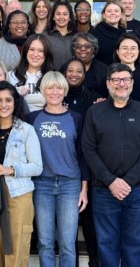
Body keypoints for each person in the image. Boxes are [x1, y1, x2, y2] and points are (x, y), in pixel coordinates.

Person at [82, 63, 140, 267]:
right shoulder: (94, 112)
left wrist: (128, 181)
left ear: (132, 83)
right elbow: (88, 150)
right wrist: (111, 181)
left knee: (135, 243)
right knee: (107, 244)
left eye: (126, 79)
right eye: (116, 79)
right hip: (103, 190)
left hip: (137, 190)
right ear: (108, 84)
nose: (121, 84)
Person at [0, 81, 43, 267]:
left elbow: (37, 167)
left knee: (16, 249)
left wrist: (12, 169)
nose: (3, 104)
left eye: (8, 100)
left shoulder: (26, 130)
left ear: (15, 103)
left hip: (18, 195)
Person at [28, 71, 89, 267]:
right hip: (42, 184)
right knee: (45, 242)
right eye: (50, 88)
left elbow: (83, 155)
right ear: (43, 90)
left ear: (65, 90)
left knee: (68, 243)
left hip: (69, 185)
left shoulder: (76, 118)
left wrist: (84, 190)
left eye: (59, 88)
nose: (55, 92)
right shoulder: (32, 118)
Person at [60, 59, 101, 267]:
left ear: (85, 75)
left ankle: (94, 261)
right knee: (69, 225)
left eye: (79, 71)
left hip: (88, 162)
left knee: (89, 220)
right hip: (64, 164)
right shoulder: (57, 96)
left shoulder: (93, 99)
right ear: (64, 73)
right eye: (70, 71)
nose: (74, 74)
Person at [8, 34, 54, 112]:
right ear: (26, 51)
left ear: (46, 54)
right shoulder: (11, 76)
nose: (35, 54)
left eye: (40, 51)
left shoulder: (52, 77)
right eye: (32, 49)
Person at [70, 33, 108, 98]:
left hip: (98, 106)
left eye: (87, 46)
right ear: (74, 49)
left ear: (93, 49)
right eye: (78, 46)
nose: (83, 49)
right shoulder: (65, 68)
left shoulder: (103, 69)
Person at [89, 0, 126, 66]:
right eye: (109, 11)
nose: (113, 13)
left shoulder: (125, 35)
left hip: (120, 73)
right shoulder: (94, 33)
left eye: (116, 11)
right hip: (100, 73)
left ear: (121, 15)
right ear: (104, 15)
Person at [45, 0, 76, 69]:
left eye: (65, 14)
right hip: (50, 78)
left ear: (70, 17)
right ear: (53, 17)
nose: (61, 17)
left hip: (71, 78)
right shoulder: (45, 36)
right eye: (58, 14)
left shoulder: (76, 37)